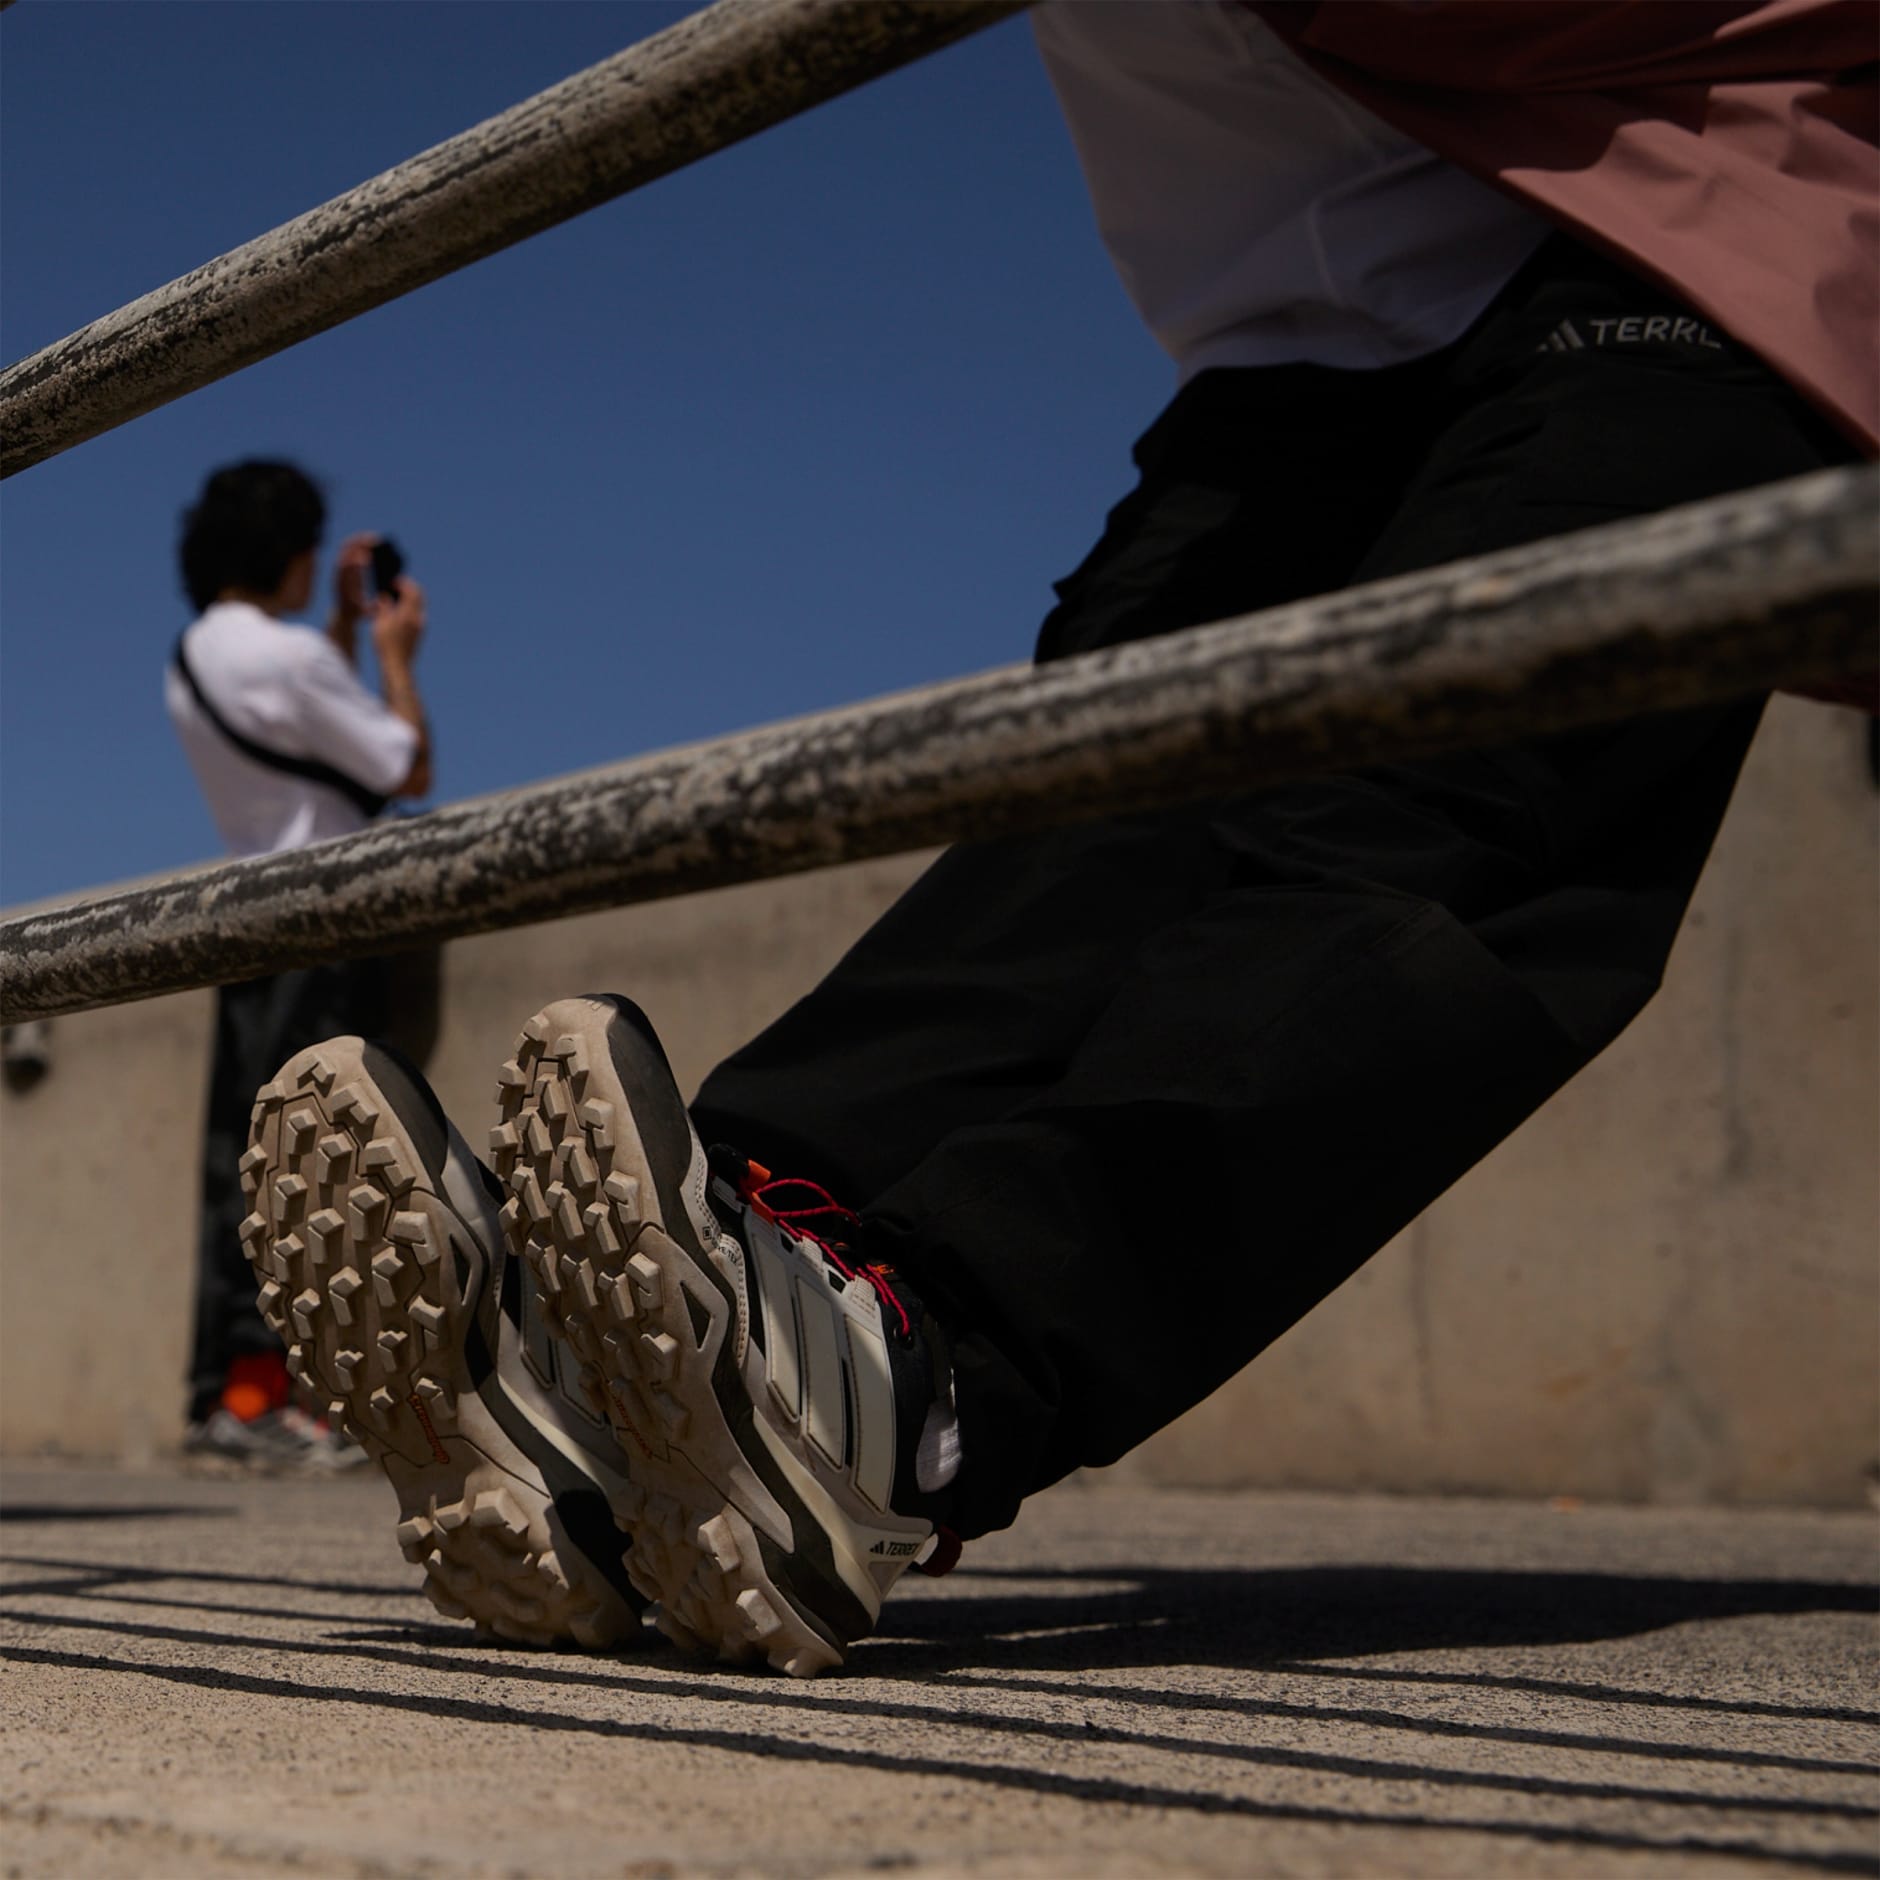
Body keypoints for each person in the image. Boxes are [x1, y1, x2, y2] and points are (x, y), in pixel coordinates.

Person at [239, 2, 1874, 1664]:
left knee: (1436, 840)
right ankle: (665, 1351)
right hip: (1300, 336)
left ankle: (925, 1399)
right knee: (1066, 831)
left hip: (1682, 222)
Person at [167, 459, 433, 1467]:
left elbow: (298, 724)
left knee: (236, 1158)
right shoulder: (290, 660)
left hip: (244, 923)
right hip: (322, 927)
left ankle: (233, 1393)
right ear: (290, 549)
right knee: (317, 1163)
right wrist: (395, 653)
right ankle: (282, 1396)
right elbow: (404, 763)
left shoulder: (194, 655)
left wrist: (330, 632)